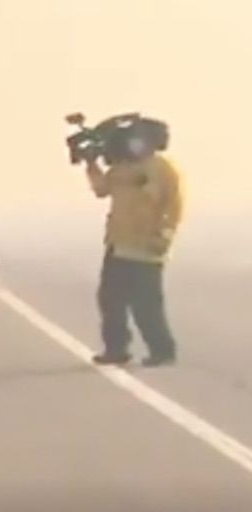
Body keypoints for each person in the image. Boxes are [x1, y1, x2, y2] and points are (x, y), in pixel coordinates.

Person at [85, 126, 184, 367]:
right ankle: (116, 349)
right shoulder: (122, 168)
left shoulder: (162, 170)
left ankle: (162, 350)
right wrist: (91, 165)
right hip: (119, 245)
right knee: (110, 300)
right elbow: (101, 189)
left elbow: (173, 207)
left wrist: (164, 236)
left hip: (147, 248)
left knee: (146, 304)